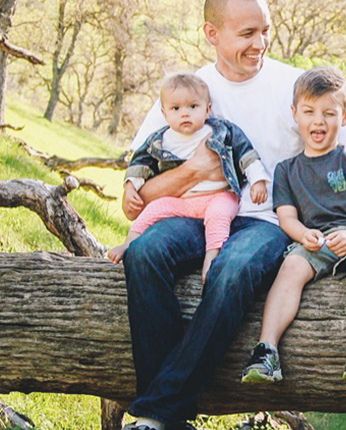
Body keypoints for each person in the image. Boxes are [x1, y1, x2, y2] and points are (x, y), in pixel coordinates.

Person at [102, 0, 346, 430]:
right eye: (247, 33)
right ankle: (177, 427)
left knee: (228, 272)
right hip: (191, 212)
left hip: (270, 223)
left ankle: (147, 423)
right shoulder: (184, 91)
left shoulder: (296, 86)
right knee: (143, 253)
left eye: (265, 31)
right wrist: (198, 169)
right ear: (212, 33)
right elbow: (135, 198)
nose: (260, 43)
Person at [241, 66, 346, 384]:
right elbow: (287, 217)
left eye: (329, 113)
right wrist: (303, 235)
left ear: (345, 116)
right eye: (309, 111)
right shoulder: (286, 170)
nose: (318, 121)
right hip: (318, 240)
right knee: (292, 266)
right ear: (295, 114)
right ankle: (266, 349)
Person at [107, 73, 269, 282]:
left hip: (219, 195)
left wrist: (258, 180)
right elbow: (140, 164)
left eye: (193, 107)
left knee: (218, 215)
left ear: (207, 109)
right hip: (183, 201)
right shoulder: (160, 141)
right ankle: (129, 242)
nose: (185, 114)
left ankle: (212, 256)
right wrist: (130, 186)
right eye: (176, 108)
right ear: (165, 113)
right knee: (152, 210)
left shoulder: (221, 131)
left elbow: (246, 154)